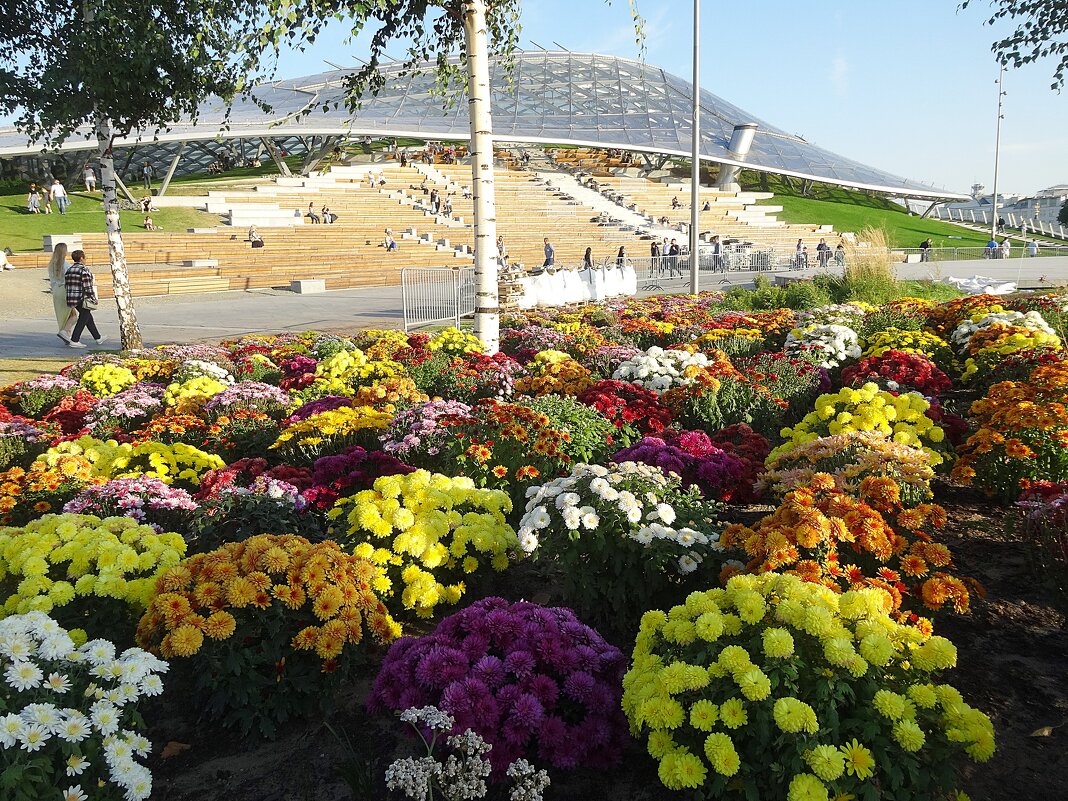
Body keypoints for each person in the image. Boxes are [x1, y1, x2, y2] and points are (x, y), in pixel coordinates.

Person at [64, 250, 106, 348]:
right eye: (85, 257)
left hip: (71, 298)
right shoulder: (84, 270)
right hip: (82, 297)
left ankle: (98, 337)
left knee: (87, 317)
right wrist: (93, 298)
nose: (86, 259)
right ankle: (75, 340)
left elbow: (66, 285)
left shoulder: (70, 270)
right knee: (83, 318)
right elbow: (88, 287)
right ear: (81, 258)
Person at [48, 244, 76, 342]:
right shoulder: (66, 265)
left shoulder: (51, 264)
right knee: (73, 315)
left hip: (56, 290)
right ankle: (64, 332)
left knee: (64, 315)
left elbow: (52, 280)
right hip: (64, 289)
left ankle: (67, 336)